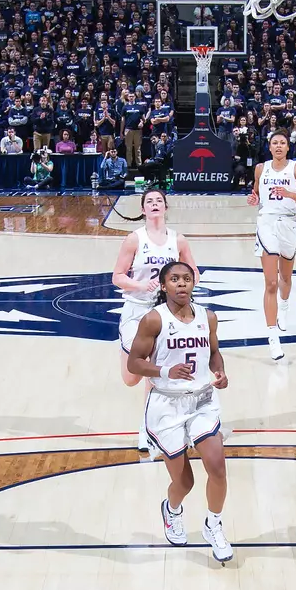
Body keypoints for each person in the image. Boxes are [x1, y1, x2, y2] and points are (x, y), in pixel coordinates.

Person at [127, 260, 233, 562]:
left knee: (217, 466)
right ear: (163, 286)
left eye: (187, 278)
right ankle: (171, 509)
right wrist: (164, 370)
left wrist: (220, 372)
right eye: (175, 279)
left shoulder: (208, 317)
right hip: (166, 404)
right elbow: (134, 362)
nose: (182, 284)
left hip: (202, 400)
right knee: (185, 482)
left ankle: (214, 524)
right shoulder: (153, 320)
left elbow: (213, 352)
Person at [112, 189, 198, 453]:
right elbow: (117, 276)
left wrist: (180, 284)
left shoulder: (178, 240)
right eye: (149, 201)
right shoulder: (133, 239)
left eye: (158, 200)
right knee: (131, 378)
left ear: (165, 206)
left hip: (165, 312)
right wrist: (141, 285)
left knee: (155, 373)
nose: (154, 204)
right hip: (137, 309)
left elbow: (194, 272)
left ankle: (147, 430)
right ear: (143, 208)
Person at [247, 130, 296, 361]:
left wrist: (290, 194)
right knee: (271, 282)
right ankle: (272, 337)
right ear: (269, 146)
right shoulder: (260, 168)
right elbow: (256, 193)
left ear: (288, 147)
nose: (278, 146)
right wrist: (253, 198)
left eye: (282, 143)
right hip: (266, 223)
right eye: (274, 143)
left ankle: (284, 307)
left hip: (289, 223)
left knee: (286, 278)